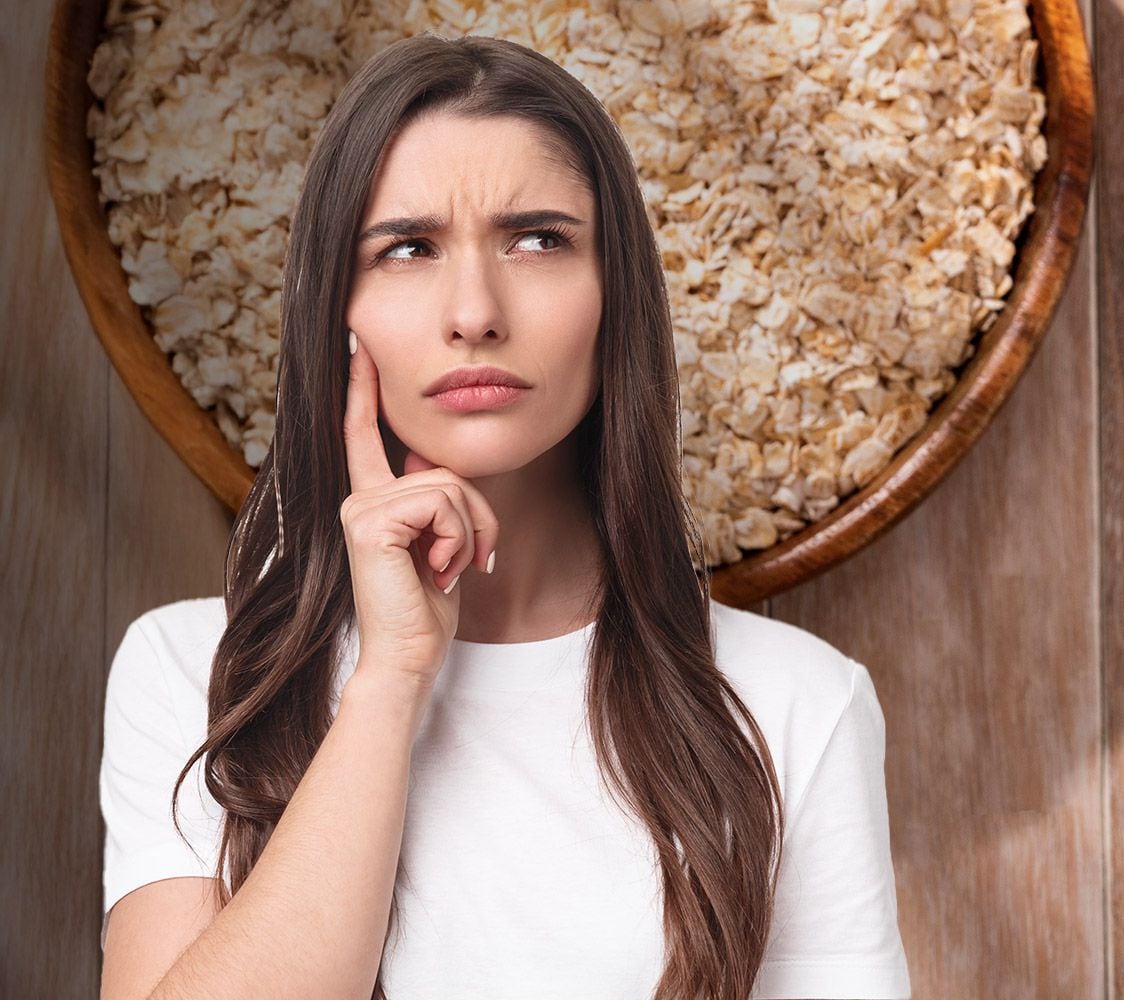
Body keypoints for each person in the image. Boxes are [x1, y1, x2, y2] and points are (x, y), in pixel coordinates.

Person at [98, 31, 910, 1000]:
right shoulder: (197, 675)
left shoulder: (794, 705)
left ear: (617, 299)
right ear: (333, 311)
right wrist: (391, 679)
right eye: (406, 247)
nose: (475, 310)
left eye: (538, 239)